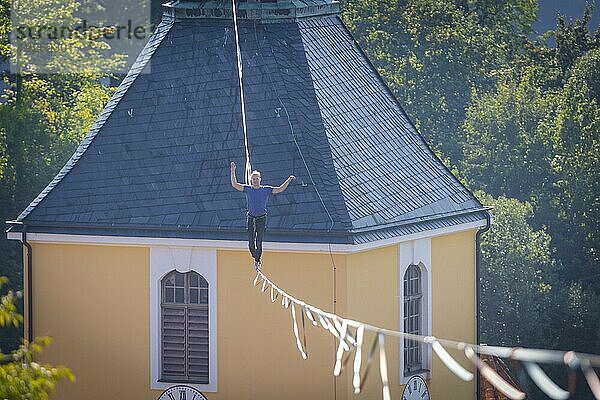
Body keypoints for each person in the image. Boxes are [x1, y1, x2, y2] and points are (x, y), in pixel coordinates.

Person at [230, 161, 295, 270]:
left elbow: (279, 189)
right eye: (254, 179)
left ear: (260, 179)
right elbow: (235, 185)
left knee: (259, 241)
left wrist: (288, 180)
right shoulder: (248, 189)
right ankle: (255, 258)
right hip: (251, 218)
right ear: (251, 180)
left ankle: (257, 261)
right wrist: (233, 171)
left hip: (261, 218)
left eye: (257, 178)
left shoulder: (265, 190)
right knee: (251, 244)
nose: (255, 180)